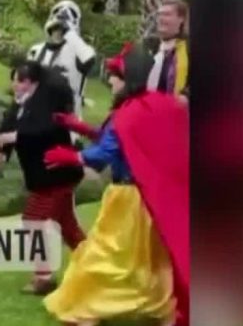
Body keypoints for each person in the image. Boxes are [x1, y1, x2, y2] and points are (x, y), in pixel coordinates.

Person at [43, 43, 189, 326]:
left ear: (128, 78)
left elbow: (107, 151)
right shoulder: (154, 106)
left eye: (115, 75)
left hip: (126, 199)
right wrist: (82, 128)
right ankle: (163, 309)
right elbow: (123, 140)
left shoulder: (129, 111)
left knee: (105, 253)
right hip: (148, 200)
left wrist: (71, 156)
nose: (109, 81)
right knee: (145, 259)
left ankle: (90, 308)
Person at [0, 61, 85, 295]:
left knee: (32, 220)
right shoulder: (20, 105)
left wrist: (14, 137)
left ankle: (44, 277)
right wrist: (1, 151)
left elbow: (42, 131)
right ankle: (94, 263)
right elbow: (6, 129)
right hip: (45, 177)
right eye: (14, 79)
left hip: (57, 175)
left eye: (21, 80)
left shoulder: (46, 106)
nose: (16, 85)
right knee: (68, 227)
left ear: (34, 83)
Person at [27, 0, 97, 122]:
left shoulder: (78, 52)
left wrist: (69, 33)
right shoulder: (35, 51)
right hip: (36, 117)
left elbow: (89, 59)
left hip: (66, 122)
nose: (58, 31)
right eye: (56, 28)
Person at [147, 0, 189, 104]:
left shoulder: (189, 48)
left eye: (167, 14)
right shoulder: (149, 46)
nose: (160, 18)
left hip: (178, 112)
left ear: (181, 19)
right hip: (148, 110)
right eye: (159, 14)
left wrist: (186, 96)